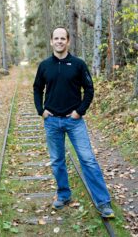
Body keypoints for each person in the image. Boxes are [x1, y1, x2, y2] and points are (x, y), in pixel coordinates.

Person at [33, 26, 115, 218]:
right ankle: (63, 195)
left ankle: (103, 203)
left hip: (74, 121)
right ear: (51, 41)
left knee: (88, 160)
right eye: (56, 38)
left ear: (68, 41)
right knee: (57, 161)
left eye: (63, 38)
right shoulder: (45, 66)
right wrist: (41, 110)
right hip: (52, 121)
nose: (60, 41)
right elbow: (37, 89)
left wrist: (80, 111)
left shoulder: (78, 64)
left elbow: (89, 89)